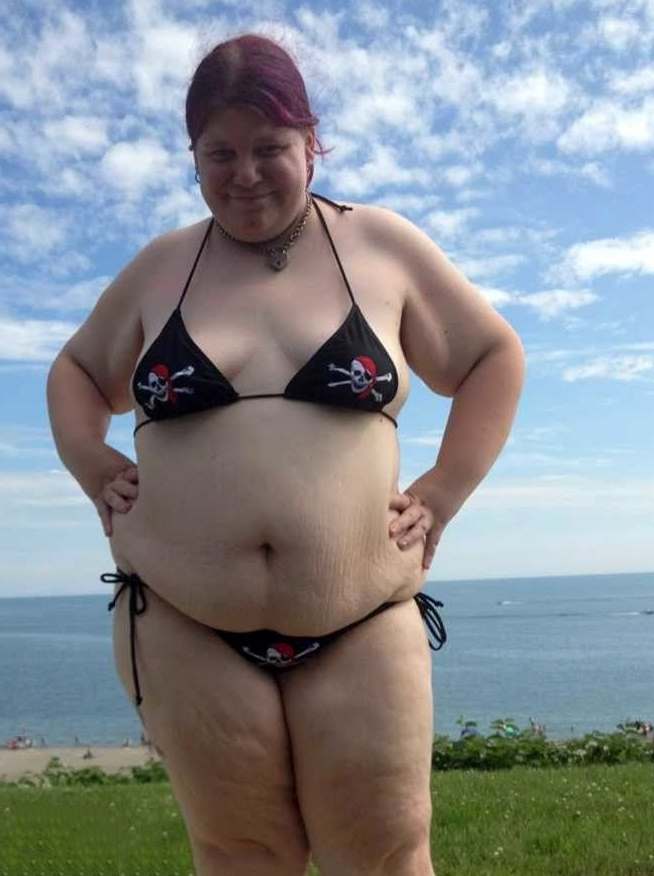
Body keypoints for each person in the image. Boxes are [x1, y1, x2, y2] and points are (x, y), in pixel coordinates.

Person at [47, 33, 524, 876]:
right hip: (184, 625)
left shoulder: (381, 246)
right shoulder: (162, 268)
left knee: (386, 855)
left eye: (268, 148)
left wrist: (444, 490)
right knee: (241, 857)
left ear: (311, 142)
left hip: (363, 619)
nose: (245, 174)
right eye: (218, 153)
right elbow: (78, 372)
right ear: (193, 157)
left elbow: (493, 356)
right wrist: (93, 462)